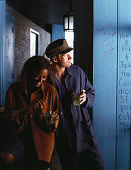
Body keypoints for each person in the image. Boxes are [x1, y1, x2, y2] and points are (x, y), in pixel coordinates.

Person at [44, 39, 106, 170]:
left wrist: (86, 98)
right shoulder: (46, 79)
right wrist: (49, 121)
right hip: (63, 134)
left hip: (83, 129)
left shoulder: (77, 72)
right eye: (66, 55)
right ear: (55, 59)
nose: (70, 57)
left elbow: (91, 91)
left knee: (98, 166)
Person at [0, 56, 60, 170]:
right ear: (28, 73)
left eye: (44, 77)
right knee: (5, 157)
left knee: (39, 165)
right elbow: (8, 117)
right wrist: (26, 109)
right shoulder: (14, 89)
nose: (40, 81)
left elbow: (51, 125)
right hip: (20, 135)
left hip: (43, 136)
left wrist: (53, 119)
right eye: (37, 76)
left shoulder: (50, 91)